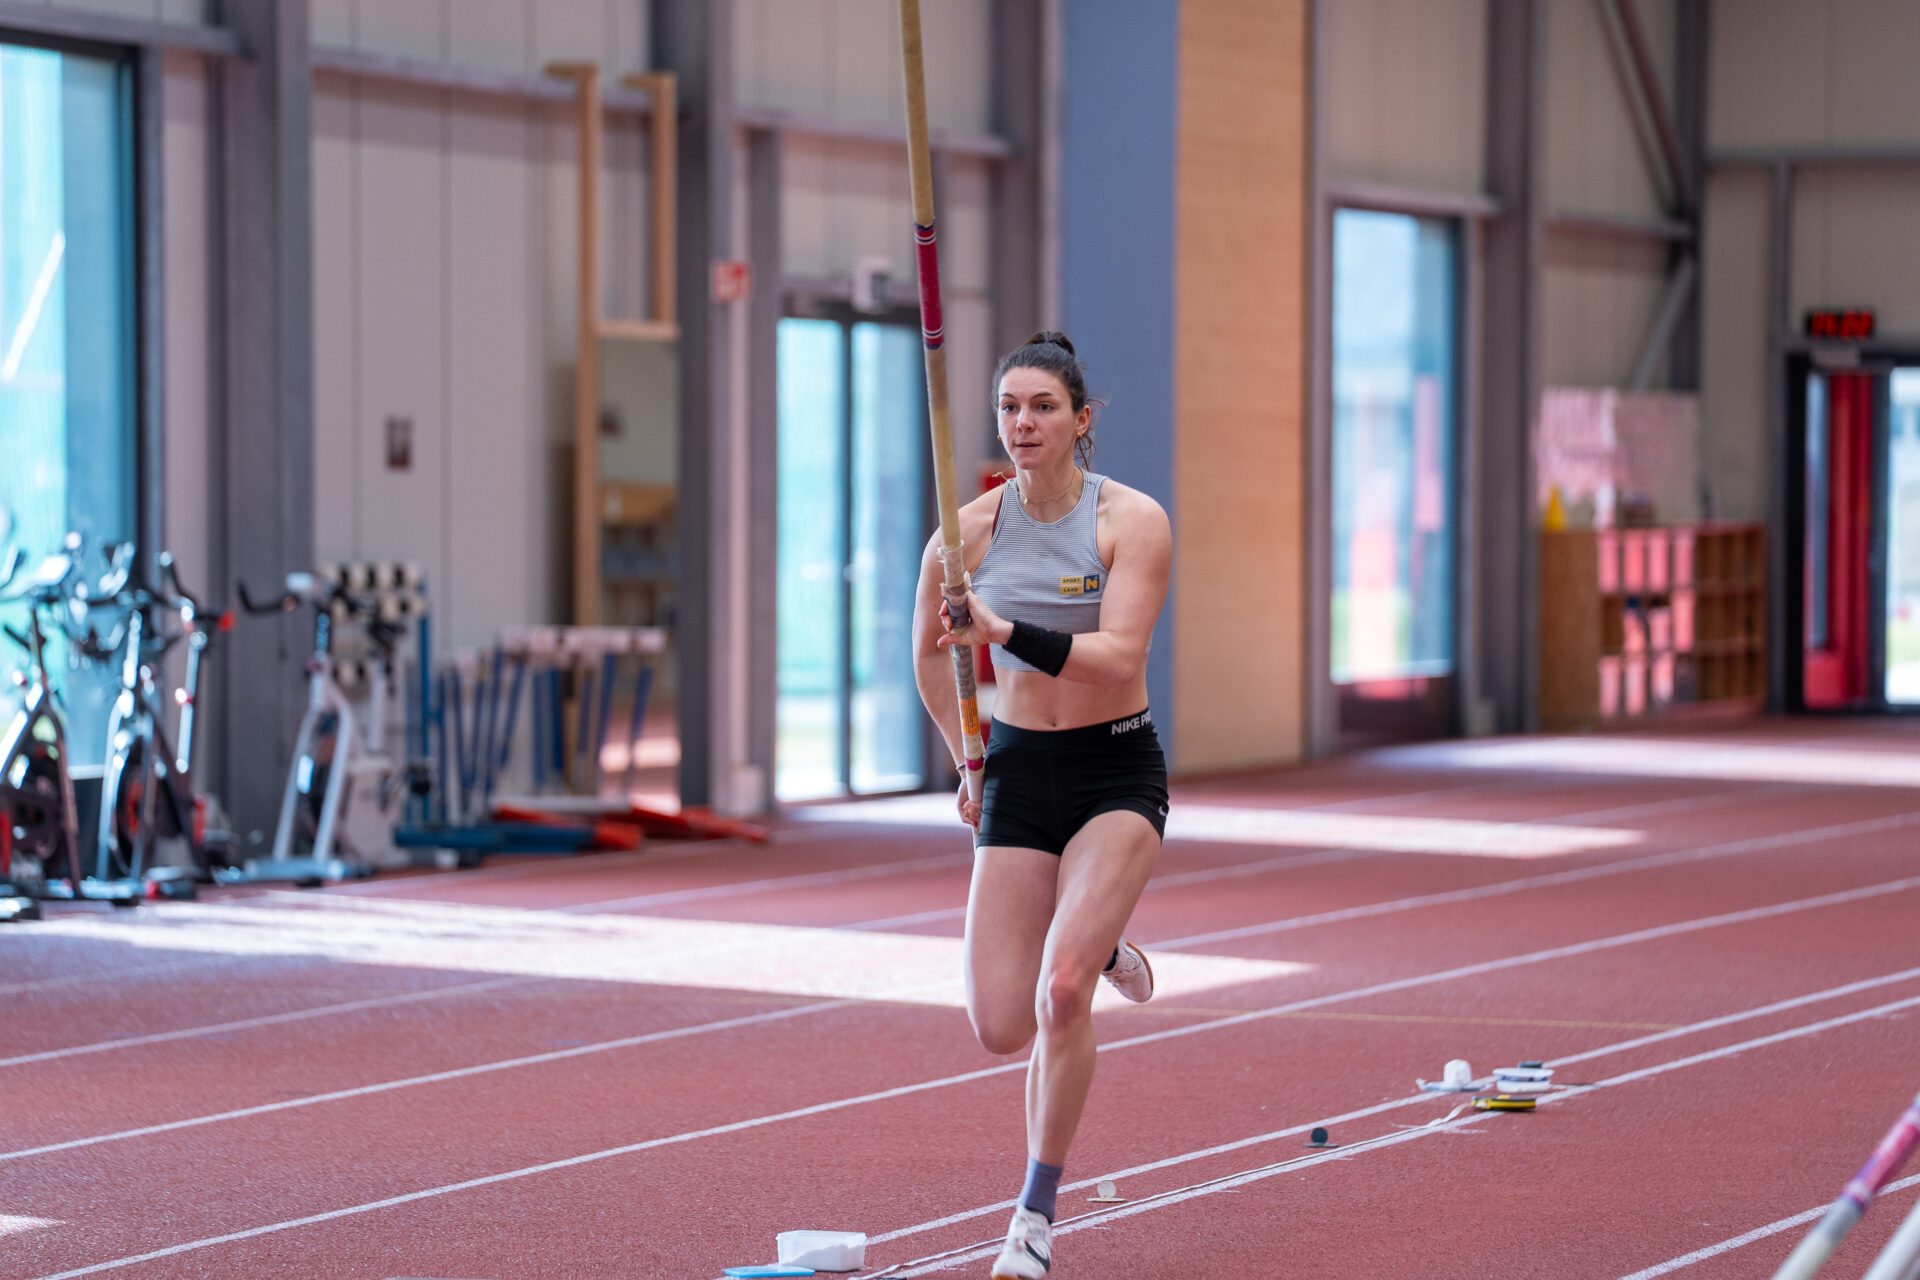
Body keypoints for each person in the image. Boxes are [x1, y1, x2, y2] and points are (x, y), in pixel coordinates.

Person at [911, 331, 1173, 1279]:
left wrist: (1003, 628)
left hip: (1113, 771)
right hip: (1019, 773)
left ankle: (1033, 1215)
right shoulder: (965, 536)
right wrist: (968, 760)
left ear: (1081, 419)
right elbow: (928, 659)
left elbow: (1118, 657)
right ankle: (1097, 939)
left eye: (1043, 407)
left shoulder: (1130, 521)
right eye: (1009, 408)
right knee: (1000, 1024)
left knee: (1061, 995)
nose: (1023, 423)